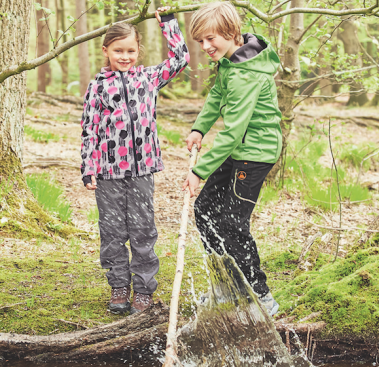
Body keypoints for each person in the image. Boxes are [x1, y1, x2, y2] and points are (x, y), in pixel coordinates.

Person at [80, 7, 189, 315]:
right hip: (108, 173)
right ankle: (118, 287)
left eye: (130, 50)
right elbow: (89, 129)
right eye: (118, 50)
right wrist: (89, 167)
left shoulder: (148, 78)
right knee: (113, 232)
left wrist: (168, 23)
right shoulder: (97, 87)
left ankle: (143, 289)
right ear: (106, 51)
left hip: (142, 171)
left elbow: (180, 58)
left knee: (142, 230)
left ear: (139, 50)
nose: (125, 56)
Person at [182, 2, 282, 316]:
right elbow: (217, 96)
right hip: (240, 149)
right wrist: (200, 127)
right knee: (205, 209)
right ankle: (226, 284)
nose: (205, 46)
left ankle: (261, 295)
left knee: (233, 223)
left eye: (211, 38)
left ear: (231, 32)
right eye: (200, 41)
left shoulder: (245, 74)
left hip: (254, 153)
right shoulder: (231, 63)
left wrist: (199, 172)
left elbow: (234, 130)